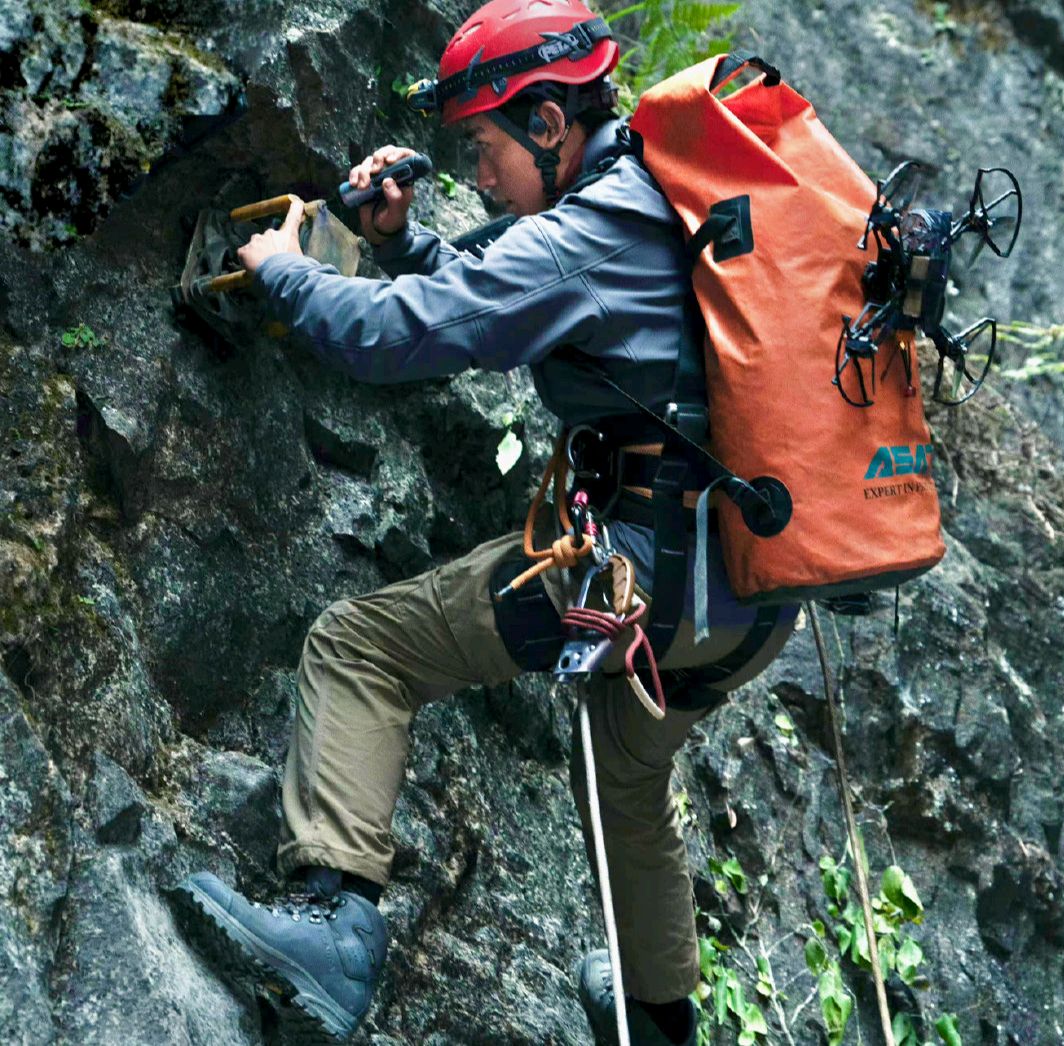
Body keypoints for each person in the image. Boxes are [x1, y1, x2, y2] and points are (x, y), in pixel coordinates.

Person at [176, 2, 797, 1043]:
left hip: (635, 582)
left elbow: (407, 336)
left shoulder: (591, 226)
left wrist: (288, 269)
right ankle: (660, 1019)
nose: (478, 170)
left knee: (361, 647)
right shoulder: (662, 199)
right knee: (626, 779)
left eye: (485, 144)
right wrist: (403, 239)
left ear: (550, 121)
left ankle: (333, 926)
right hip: (749, 593)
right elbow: (503, 295)